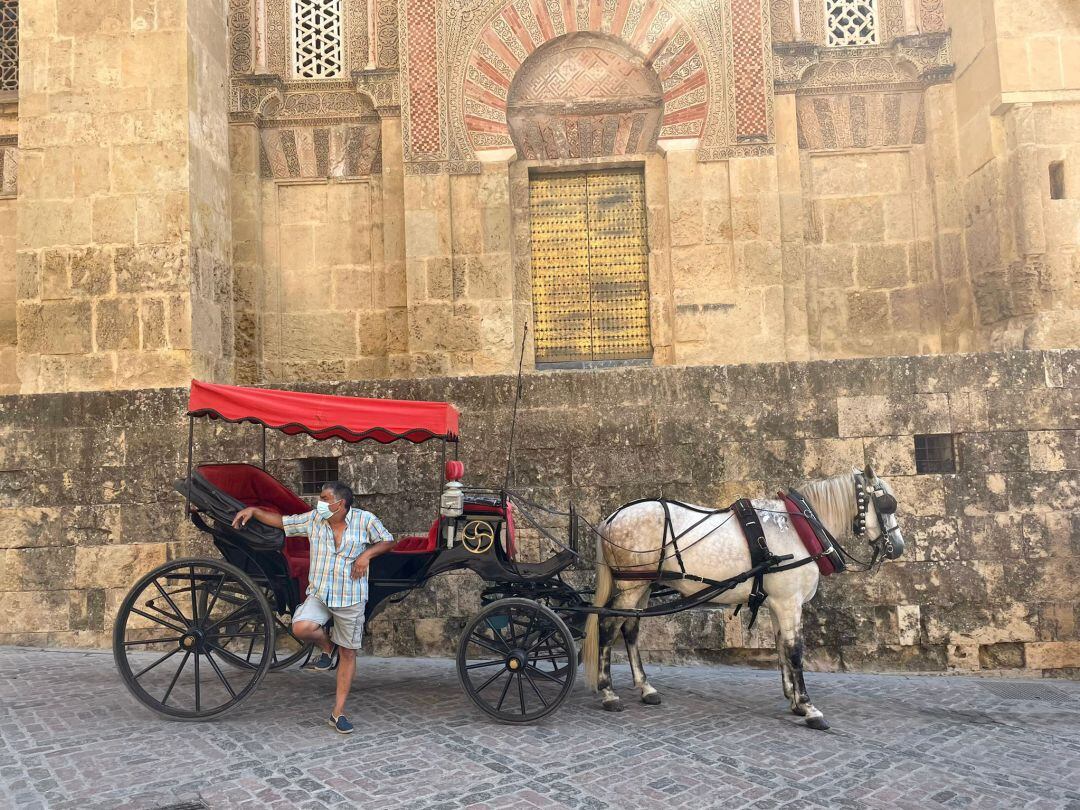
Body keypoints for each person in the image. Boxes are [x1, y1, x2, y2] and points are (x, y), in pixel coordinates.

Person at [231, 481, 397, 733]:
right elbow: (282, 522)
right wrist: (253, 511)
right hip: (319, 595)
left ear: (339, 503)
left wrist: (366, 556)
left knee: (349, 654)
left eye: (323, 498)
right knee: (301, 627)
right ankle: (328, 649)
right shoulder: (313, 520)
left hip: (350, 597)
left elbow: (388, 541)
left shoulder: (366, 520)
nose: (318, 502)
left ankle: (338, 712)